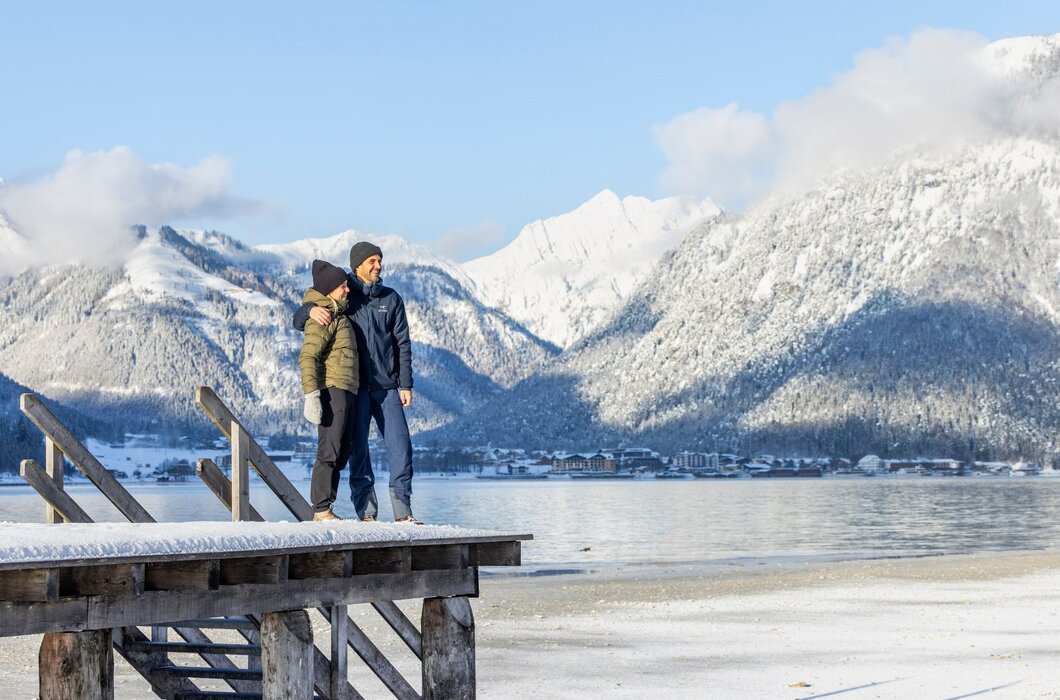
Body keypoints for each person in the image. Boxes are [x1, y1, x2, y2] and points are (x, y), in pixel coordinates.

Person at [293, 241, 420, 524]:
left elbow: (403, 344)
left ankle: (403, 511)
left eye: (380, 260)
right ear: (358, 265)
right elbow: (309, 311)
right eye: (372, 261)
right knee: (358, 450)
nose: (378, 265)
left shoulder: (391, 298)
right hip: (356, 389)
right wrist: (308, 311)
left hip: (387, 387)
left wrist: (406, 384)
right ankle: (367, 512)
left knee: (401, 447)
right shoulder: (345, 294)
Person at [299, 259, 359, 522]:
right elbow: (308, 357)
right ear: (329, 289)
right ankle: (320, 508)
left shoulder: (338, 313)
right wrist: (312, 395)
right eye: (343, 286)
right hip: (332, 389)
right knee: (330, 450)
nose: (347, 290)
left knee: (342, 450)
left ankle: (326, 507)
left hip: (347, 389)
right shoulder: (323, 316)